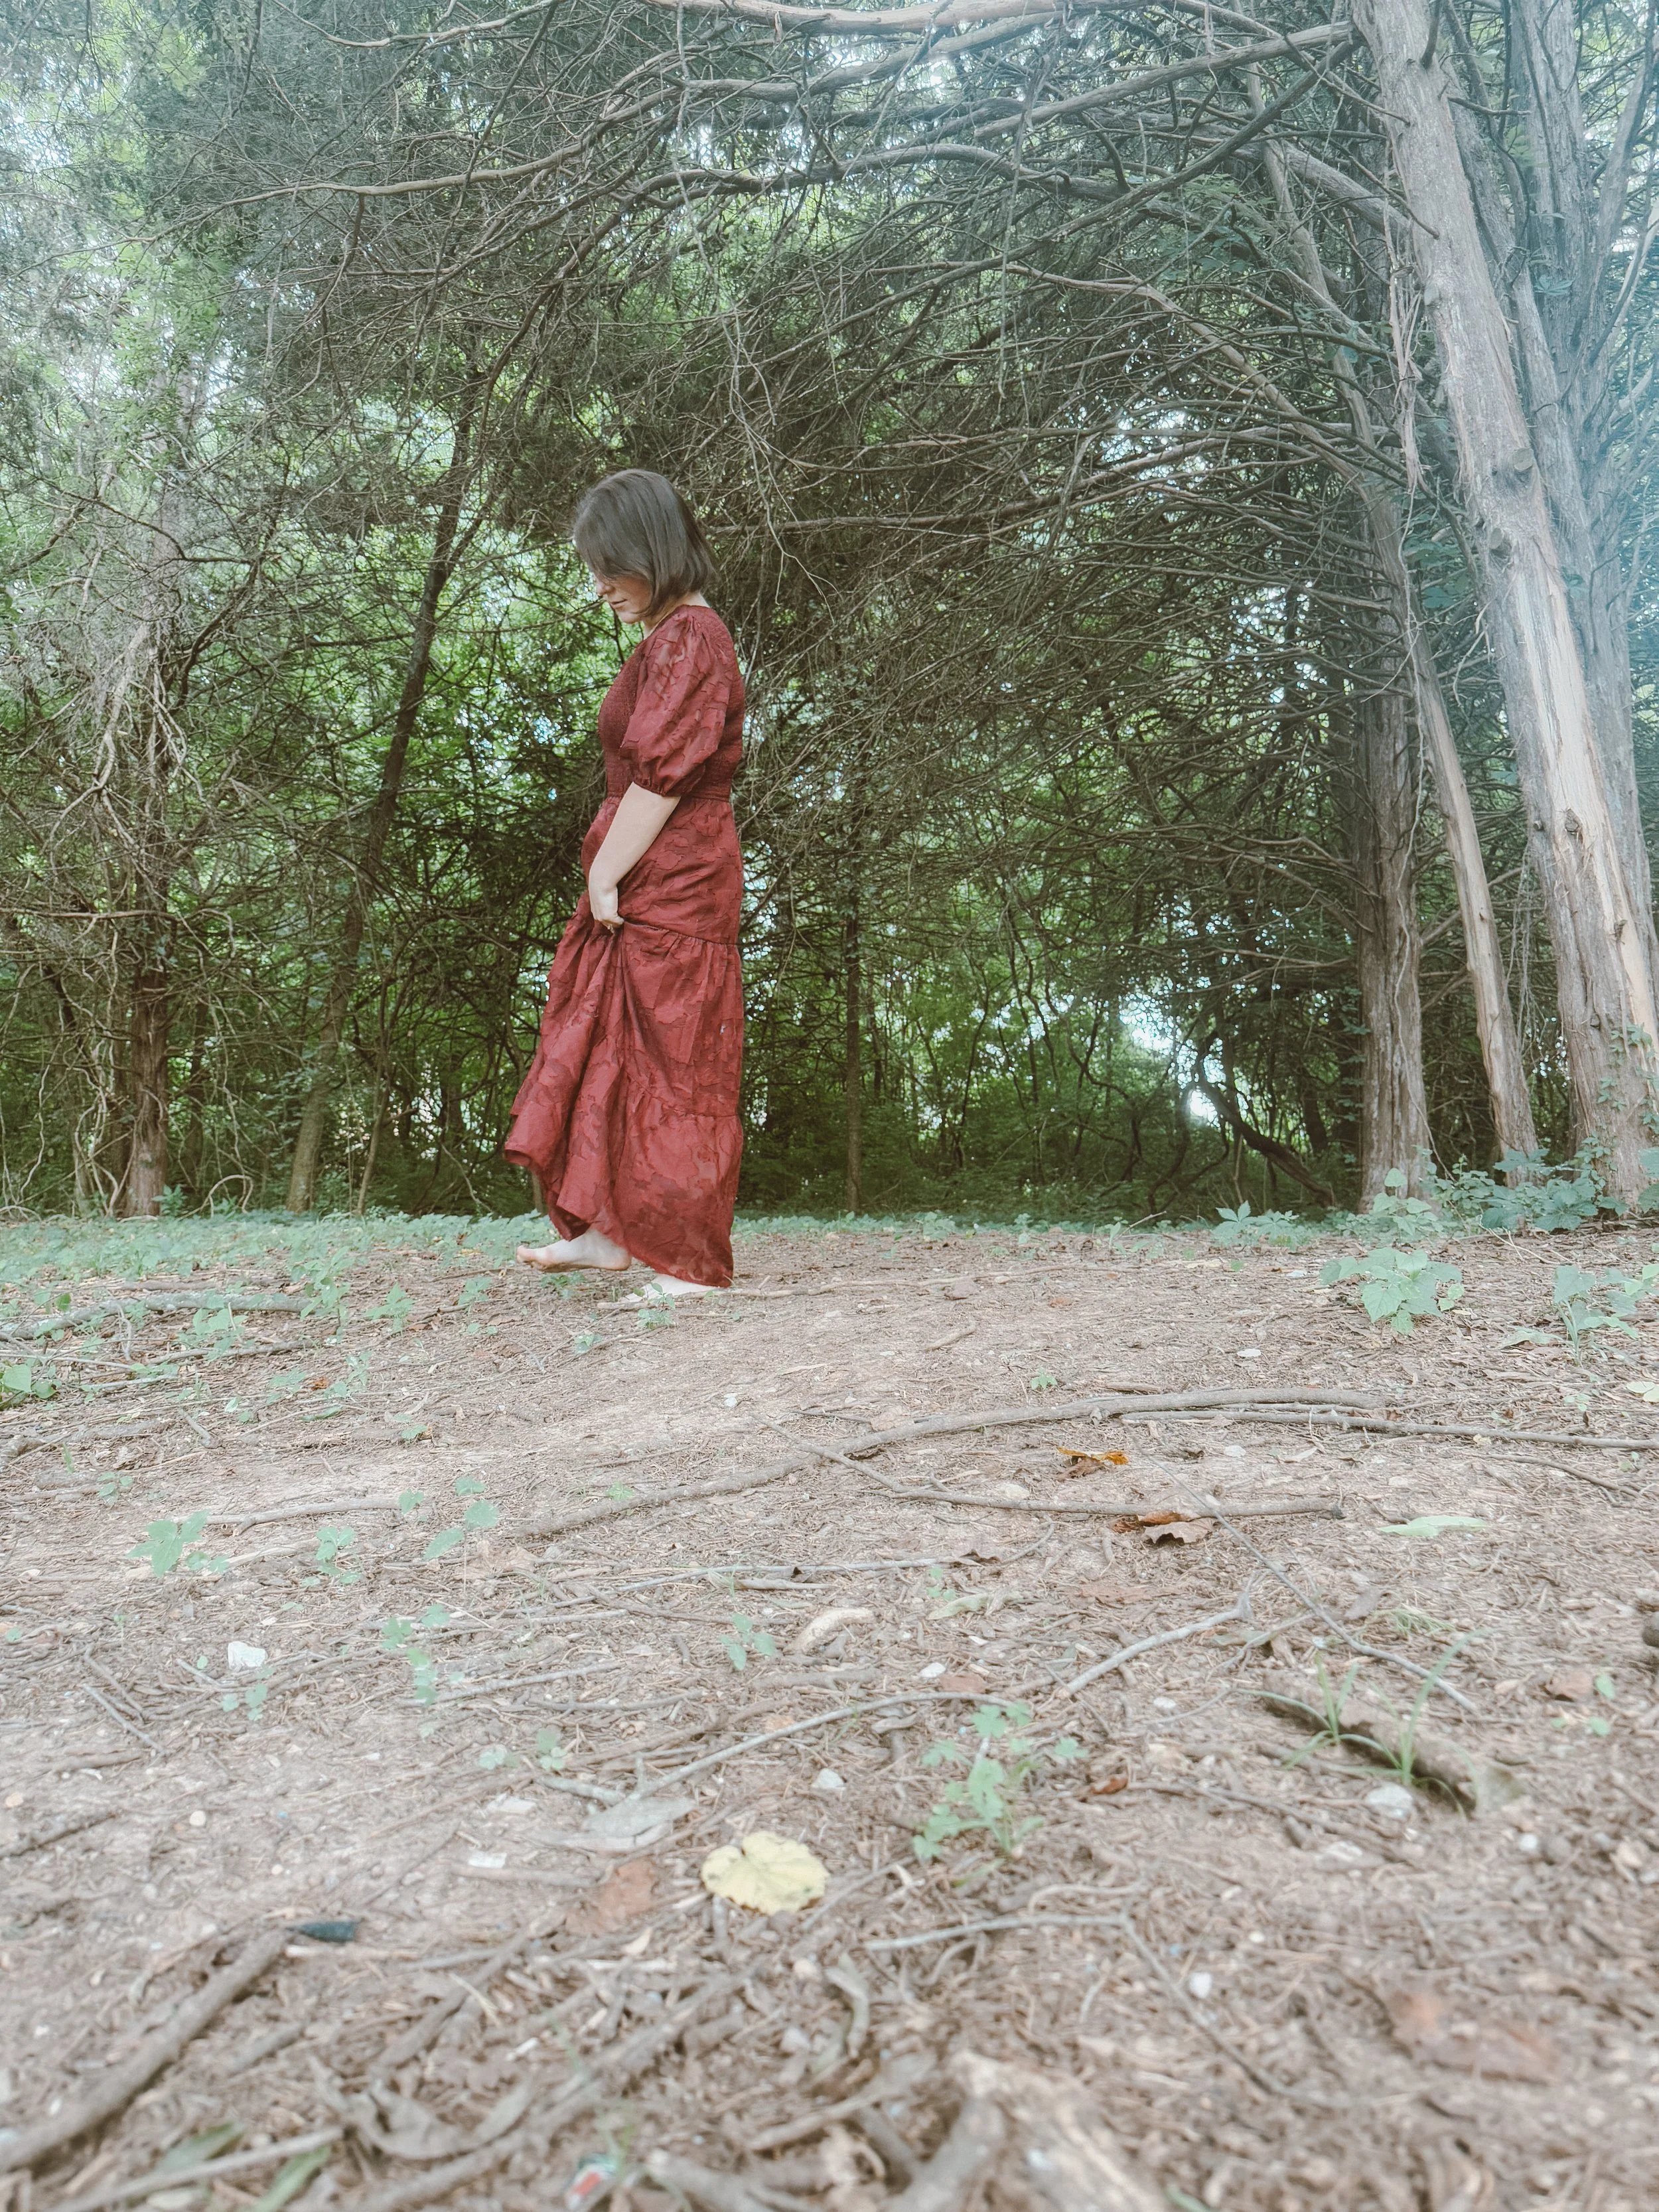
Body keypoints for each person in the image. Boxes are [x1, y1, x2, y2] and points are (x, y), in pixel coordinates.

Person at [504, 471, 745, 1297]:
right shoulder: (669, 635)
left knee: (674, 1057)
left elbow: (665, 776)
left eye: (611, 567)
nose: (598, 587)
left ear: (655, 551)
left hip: (673, 874)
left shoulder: (690, 638)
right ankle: (611, 1234)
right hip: (649, 867)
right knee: (616, 1046)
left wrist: (607, 868)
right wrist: (607, 869)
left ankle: (687, 1257)